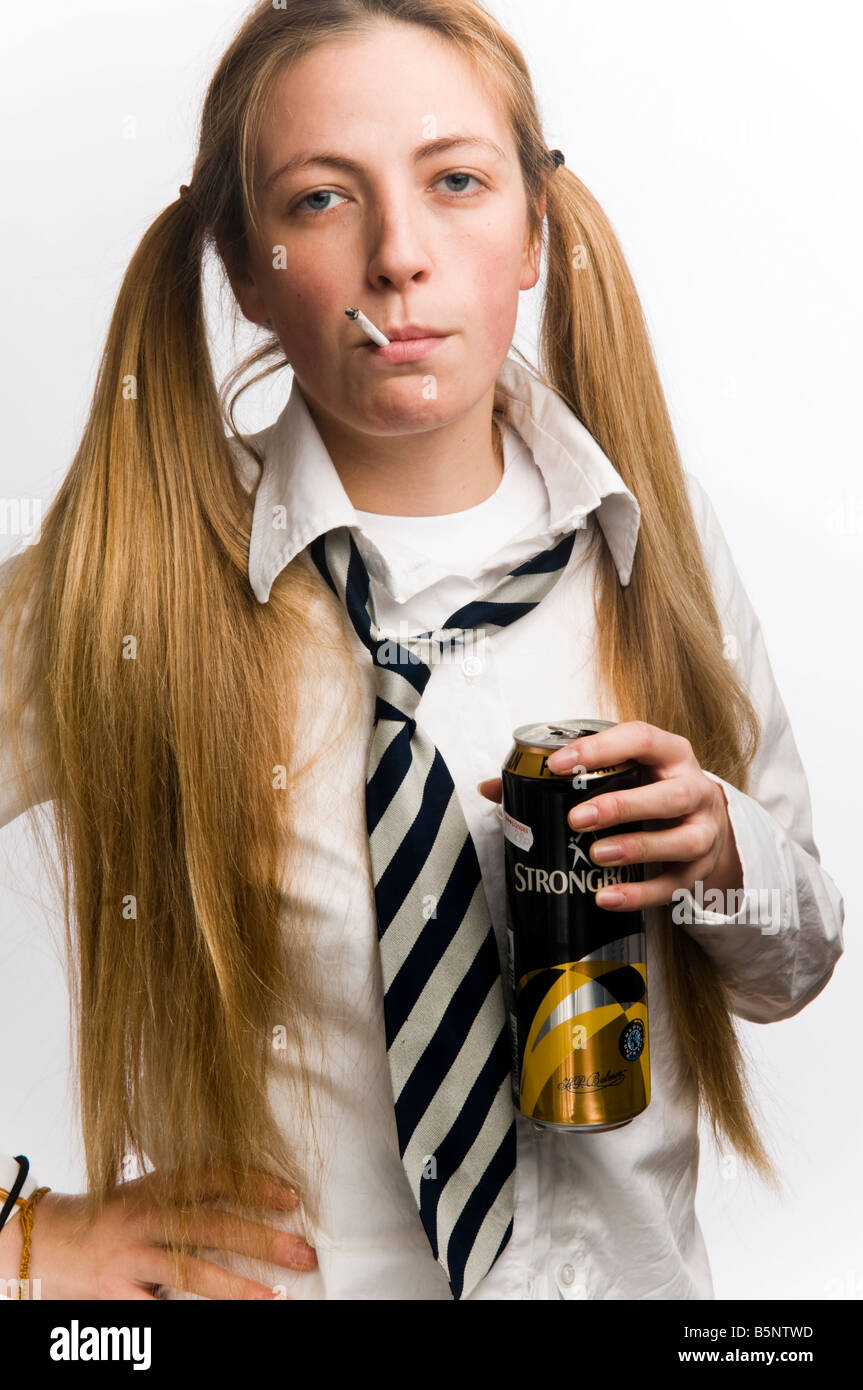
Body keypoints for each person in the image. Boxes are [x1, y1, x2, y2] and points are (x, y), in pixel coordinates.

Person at [0, 0, 844, 1301]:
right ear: (243, 262)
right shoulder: (135, 578)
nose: (401, 255)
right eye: (326, 198)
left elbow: (801, 963)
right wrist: (23, 1235)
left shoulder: (652, 545)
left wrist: (720, 848)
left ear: (533, 232)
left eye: (456, 181)